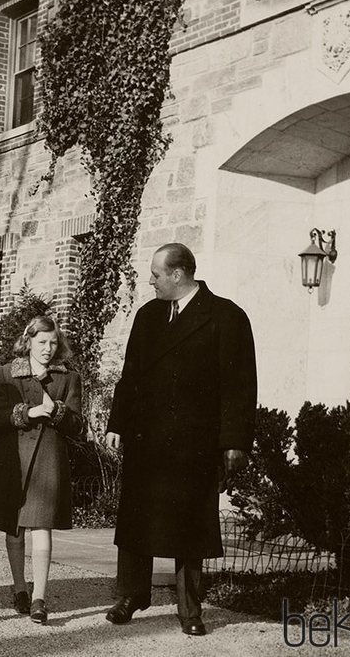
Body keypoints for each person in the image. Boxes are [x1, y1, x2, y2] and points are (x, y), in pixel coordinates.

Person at [105, 243, 256, 637]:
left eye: (156, 273)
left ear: (178, 274)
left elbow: (239, 386)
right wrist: (117, 423)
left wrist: (234, 442)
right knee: (136, 520)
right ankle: (130, 596)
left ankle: (190, 609)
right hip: (146, 440)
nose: (150, 280)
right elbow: (131, 375)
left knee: (191, 527)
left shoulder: (226, 316)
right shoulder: (148, 315)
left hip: (195, 444)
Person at [0, 315, 83, 625]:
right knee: (15, 526)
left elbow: (77, 425)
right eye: (41, 342)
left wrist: (58, 412)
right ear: (28, 341)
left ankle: (39, 597)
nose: (48, 348)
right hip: (13, 460)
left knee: (42, 527)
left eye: (53, 342)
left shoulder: (67, 378)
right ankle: (20, 587)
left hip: (48, 458)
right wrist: (29, 411)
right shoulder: (5, 374)